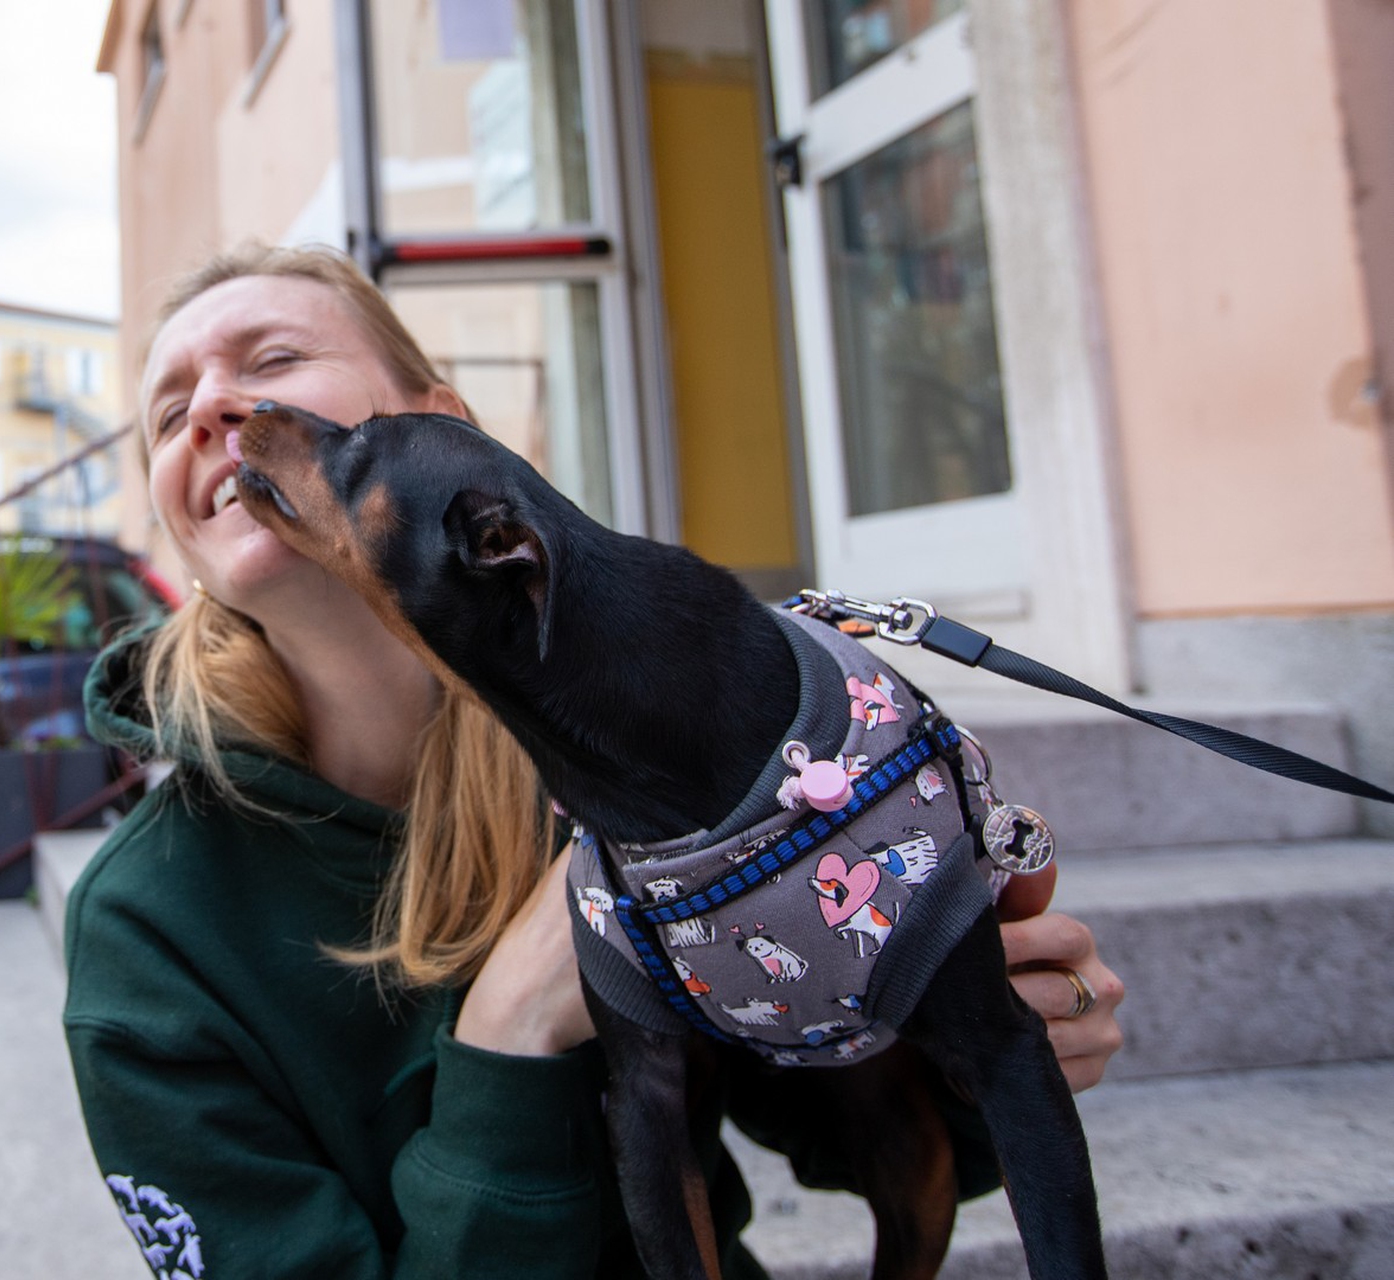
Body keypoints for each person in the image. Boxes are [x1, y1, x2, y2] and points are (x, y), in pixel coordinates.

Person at [62, 243, 1125, 1280]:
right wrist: (509, 1032)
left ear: (443, 427)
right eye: (169, 411)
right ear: (178, 529)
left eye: (274, 359)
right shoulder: (144, 932)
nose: (213, 407)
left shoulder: (624, 766)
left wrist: (977, 1044)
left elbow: (836, 1119)